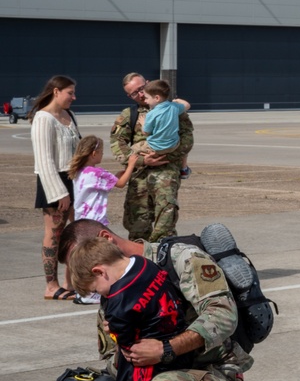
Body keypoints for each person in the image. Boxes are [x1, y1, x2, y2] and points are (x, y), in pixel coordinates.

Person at [58, 218, 253, 381]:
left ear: (106, 240)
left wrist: (166, 348)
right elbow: (113, 362)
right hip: (152, 379)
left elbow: (223, 314)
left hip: (212, 374)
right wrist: (125, 345)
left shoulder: (179, 259)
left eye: (80, 260)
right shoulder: (112, 292)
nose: (78, 271)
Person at [67, 237, 194, 381]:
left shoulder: (118, 303)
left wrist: (112, 330)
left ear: (100, 272)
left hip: (145, 372)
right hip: (177, 346)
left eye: (96, 290)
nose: (101, 295)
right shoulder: (145, 264)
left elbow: (126, 346)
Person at [110, 73, 194, 241]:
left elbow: (187, 137)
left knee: (166, 221)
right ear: (129, 96)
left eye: (142, 89)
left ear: (148, 84)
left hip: (166, 172)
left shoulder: (171, 108)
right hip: (139, 176)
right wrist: (142, 160)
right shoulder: (129, 115)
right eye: (135, 93)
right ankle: (140, 262)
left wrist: (166, 155)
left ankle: (164, 258)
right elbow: (117, 145)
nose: (140, 94)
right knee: (138, 225)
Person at [67, 136, 140, 304]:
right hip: (95, 223)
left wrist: (116, 176)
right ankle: (91, 293)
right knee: (99, 257)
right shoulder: (97, 172)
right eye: (101, 152)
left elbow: (111, 181)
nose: (102, 155)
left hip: (82, 222)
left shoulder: (80, 172)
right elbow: (121, 183)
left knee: (85, 256)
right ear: (93, 154)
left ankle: (82, 291)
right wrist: (131, 165)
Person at [29, 74, 82, 301]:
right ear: (56, 91)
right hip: (54, 181)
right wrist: (59, 192)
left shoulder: (68, 115)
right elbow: (44, 160)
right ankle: (51, 286)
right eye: (70, 93)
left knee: (80, 232)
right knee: (54, 234)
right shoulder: (43, 118)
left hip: (74, 179)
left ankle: (73, 282)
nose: (73, 97)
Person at [134, 79, 192, 171]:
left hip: (156, 147)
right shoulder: (174, 107)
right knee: (184, 150)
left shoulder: (151, 114)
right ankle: (184, 168)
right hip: (174, 146)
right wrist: (177, 100)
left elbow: (145, 132)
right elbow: (187, 105)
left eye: (147, 98)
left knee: (133, 150)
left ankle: (139, 167)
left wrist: (143, 123)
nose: (145, 101)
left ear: (157, 98)